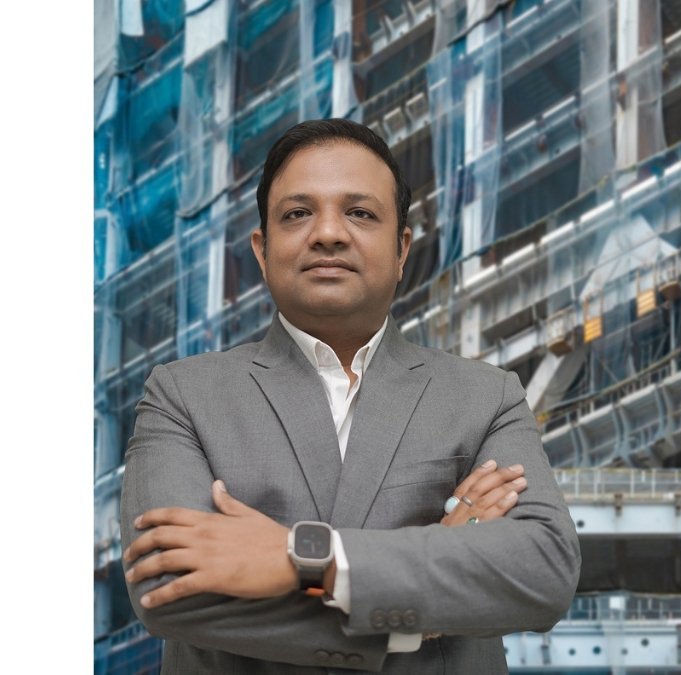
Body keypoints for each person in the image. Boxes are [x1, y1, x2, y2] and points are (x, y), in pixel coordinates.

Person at [120, 118, 581, 673]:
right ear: (262, 251)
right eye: (298, 213)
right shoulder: (182, 396)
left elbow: (542, 570)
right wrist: (417, 611)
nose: (328, 233)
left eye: (360, 213)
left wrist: (304, 558)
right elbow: (168, 584)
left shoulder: (487, 397)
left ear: (402, 248)